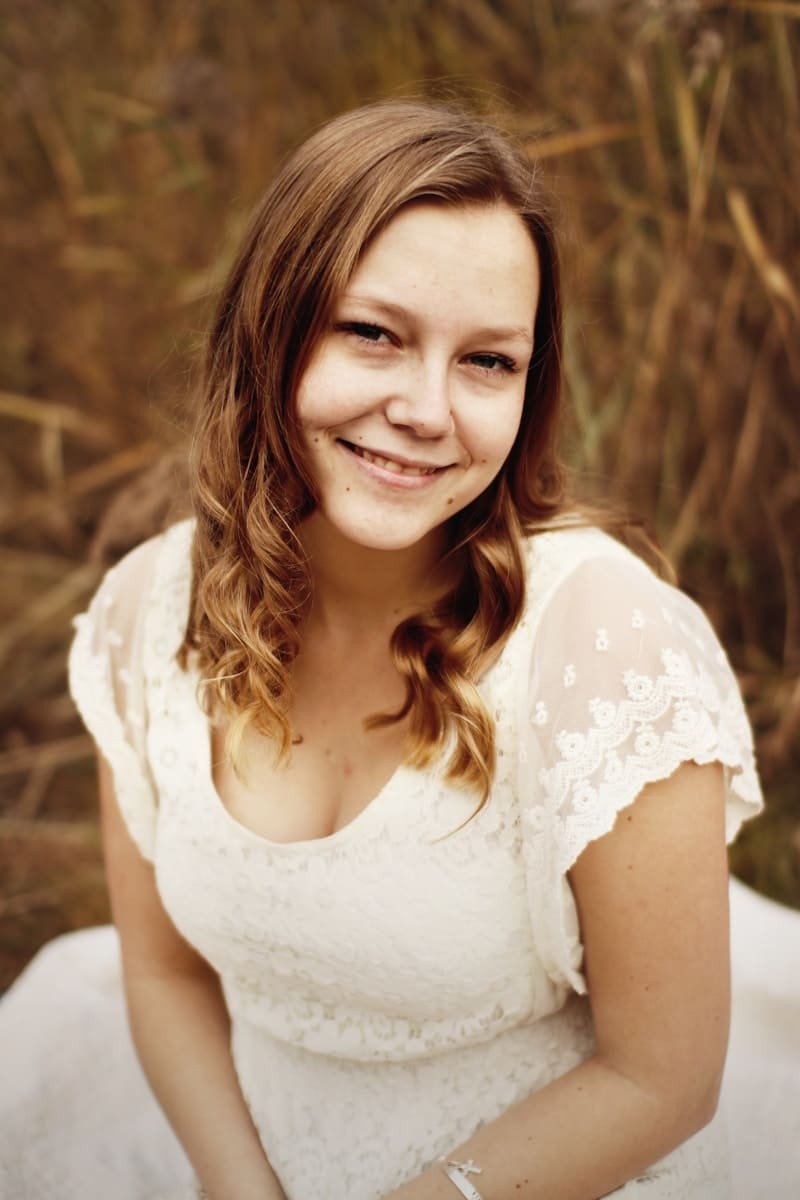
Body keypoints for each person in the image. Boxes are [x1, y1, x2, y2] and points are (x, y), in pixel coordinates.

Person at [16, 100, 766, 1199]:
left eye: (486, 362)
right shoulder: (150, 612)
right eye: (372, 333)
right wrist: (238, 1186)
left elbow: (660, 1078)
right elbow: (165, 968)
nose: (424, 410)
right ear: (272, 330)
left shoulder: (605, 643)